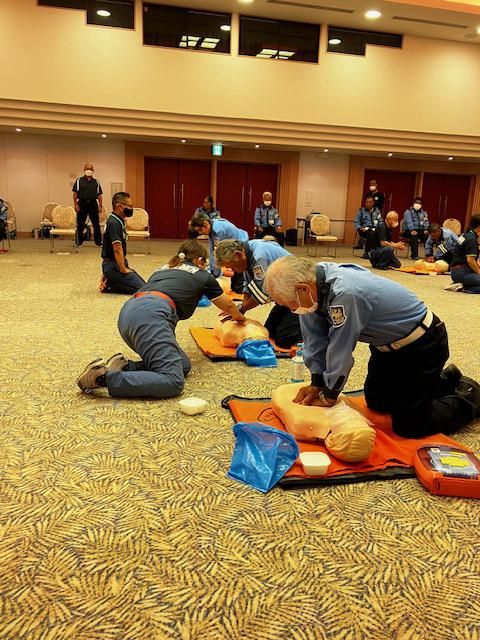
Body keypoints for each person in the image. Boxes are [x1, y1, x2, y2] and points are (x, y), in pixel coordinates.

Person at [264, 256, 480, 438]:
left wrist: (329, 394)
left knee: (410, 426)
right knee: (378, 403)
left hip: (423, 345)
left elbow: (341, 349)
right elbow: (314, 339)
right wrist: (317, 381)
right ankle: (445, 380)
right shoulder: (313, 282)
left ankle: (471, 394)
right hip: (385, 347)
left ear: (303, 289)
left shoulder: (344, 294)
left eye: (290, 304)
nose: (292, 310)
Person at [77, 240, 246, 398]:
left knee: (183, 366)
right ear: (200, 260)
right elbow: (229, 306)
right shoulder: (202, 275)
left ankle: (125, 367)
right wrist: (240, 317)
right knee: (173, 381)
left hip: (128, 315)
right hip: (150, 317)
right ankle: (102, 378)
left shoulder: (162, 269)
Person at [215, 239, 302, 349]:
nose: (234, 270)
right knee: (269, 332)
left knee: (284, 341)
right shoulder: (247, 254)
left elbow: (263, 292)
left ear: (238, 254)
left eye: (232, 266)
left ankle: (311, 327)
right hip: (285, 299)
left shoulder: (260, 256)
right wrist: (240, 309)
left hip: (300, 299)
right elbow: (249, 286)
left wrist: (240, 310)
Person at [189, 212, 248, 292]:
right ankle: (237, 288)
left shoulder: (218, 230)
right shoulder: (212, 229)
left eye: (200, 230)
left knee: (237, 266)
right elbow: (212, 250)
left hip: (242, 242)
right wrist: (212, 270)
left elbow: (219, 253)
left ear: (205, 224)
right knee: (233, 277)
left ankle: (242, 289)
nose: (200, 233)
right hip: (234, 242)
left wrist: (215, 273)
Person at [100, 192, 146, 295]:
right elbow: (117, 249)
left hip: (117, 263)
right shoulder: (114, 223)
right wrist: (123, 269)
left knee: (141, 285)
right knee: (143, 289)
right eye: (130, 206)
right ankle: (110, 283)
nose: (131, 208)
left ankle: (111, 283)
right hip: (112, 266)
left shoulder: (118, 220)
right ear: (120, 206)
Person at [72, 162, 103, 246]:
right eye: (87, 169)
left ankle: (98, 242)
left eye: (90, 169)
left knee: (96, 224)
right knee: (80, 224)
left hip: (93, 204)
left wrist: (100, 206)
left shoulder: (96, 182)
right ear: (84, 170)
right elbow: (75, 194)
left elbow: (99, 195)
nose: (88, 171)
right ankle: (79, 242)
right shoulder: (79, 181)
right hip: (82, 203)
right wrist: (76, 205)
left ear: (93, 171)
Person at [449, 214, 480, 293]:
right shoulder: (472, 239)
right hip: (462, 272)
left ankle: (463, 285)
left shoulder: (466, 234)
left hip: (457, 271)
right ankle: (464, 287)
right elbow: (470, 261)